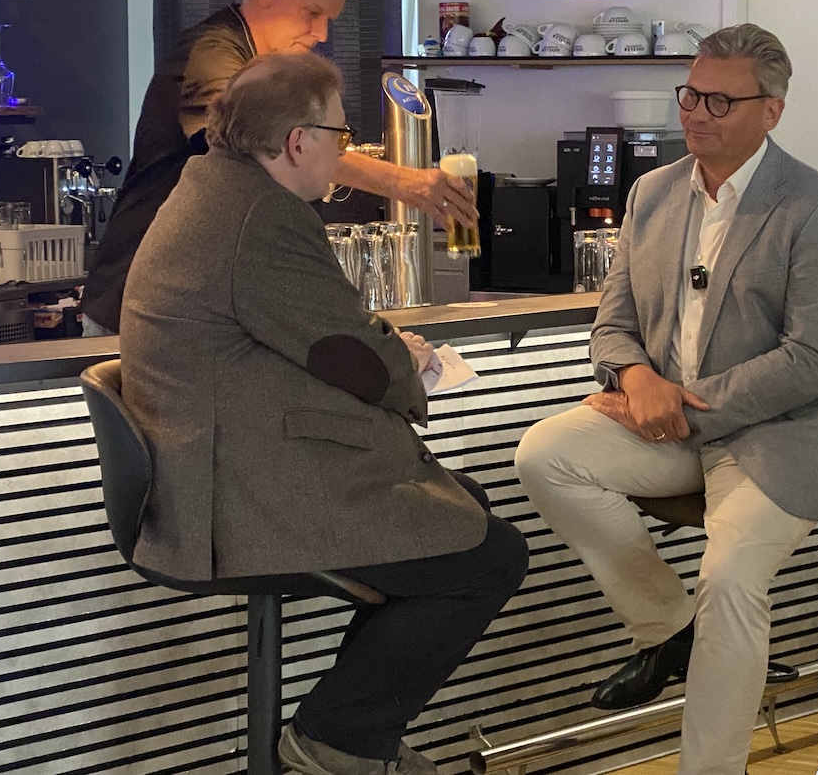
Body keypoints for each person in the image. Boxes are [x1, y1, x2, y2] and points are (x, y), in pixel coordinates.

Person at [118, 51, 528, 775]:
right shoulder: (261, 215)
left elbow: (317, 333)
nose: (345, 151)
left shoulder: (217, 186)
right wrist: (409, 361)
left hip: (217, 467)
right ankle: (336, 743)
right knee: (490, 556)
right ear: (297, 141)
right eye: (340, 135)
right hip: (229, 494)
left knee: (461, 509)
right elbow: (354, 358)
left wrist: (382, 349)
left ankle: (353, 733)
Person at [515, 24, 818, 775]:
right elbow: (613, 324)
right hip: (668, 423)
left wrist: (680, 403)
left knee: (730, 580)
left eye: (719, 101)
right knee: (545, 453)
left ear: (771, 111)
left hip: (780, 434)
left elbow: (811, 360)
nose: (696, 113)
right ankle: (667, 628)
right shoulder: (652, 191)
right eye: (690, 95)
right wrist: (636, 380)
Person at [83, 0, 477, 335]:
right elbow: (259, 144)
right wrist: (404, 183)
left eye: (329, 19)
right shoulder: (214, 52)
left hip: (195, 294)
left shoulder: (265, 66)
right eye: (312, 13)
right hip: (135, 296)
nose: (321, 33)